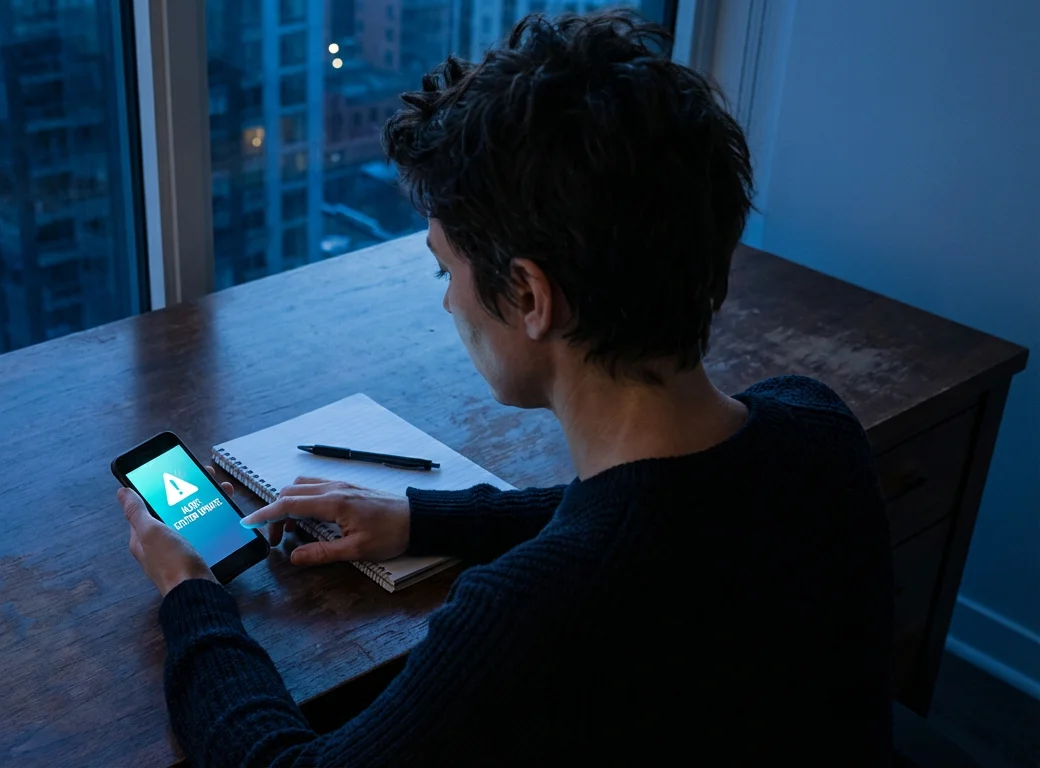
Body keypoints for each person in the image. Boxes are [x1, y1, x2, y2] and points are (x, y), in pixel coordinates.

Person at [118, 10, 892, 765]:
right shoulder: (817, 425)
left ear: (528, 296)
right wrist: (423, 519)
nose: (449, 303)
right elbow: (662, 511)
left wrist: (192, 594)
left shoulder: (534, 612)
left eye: (444, 270)